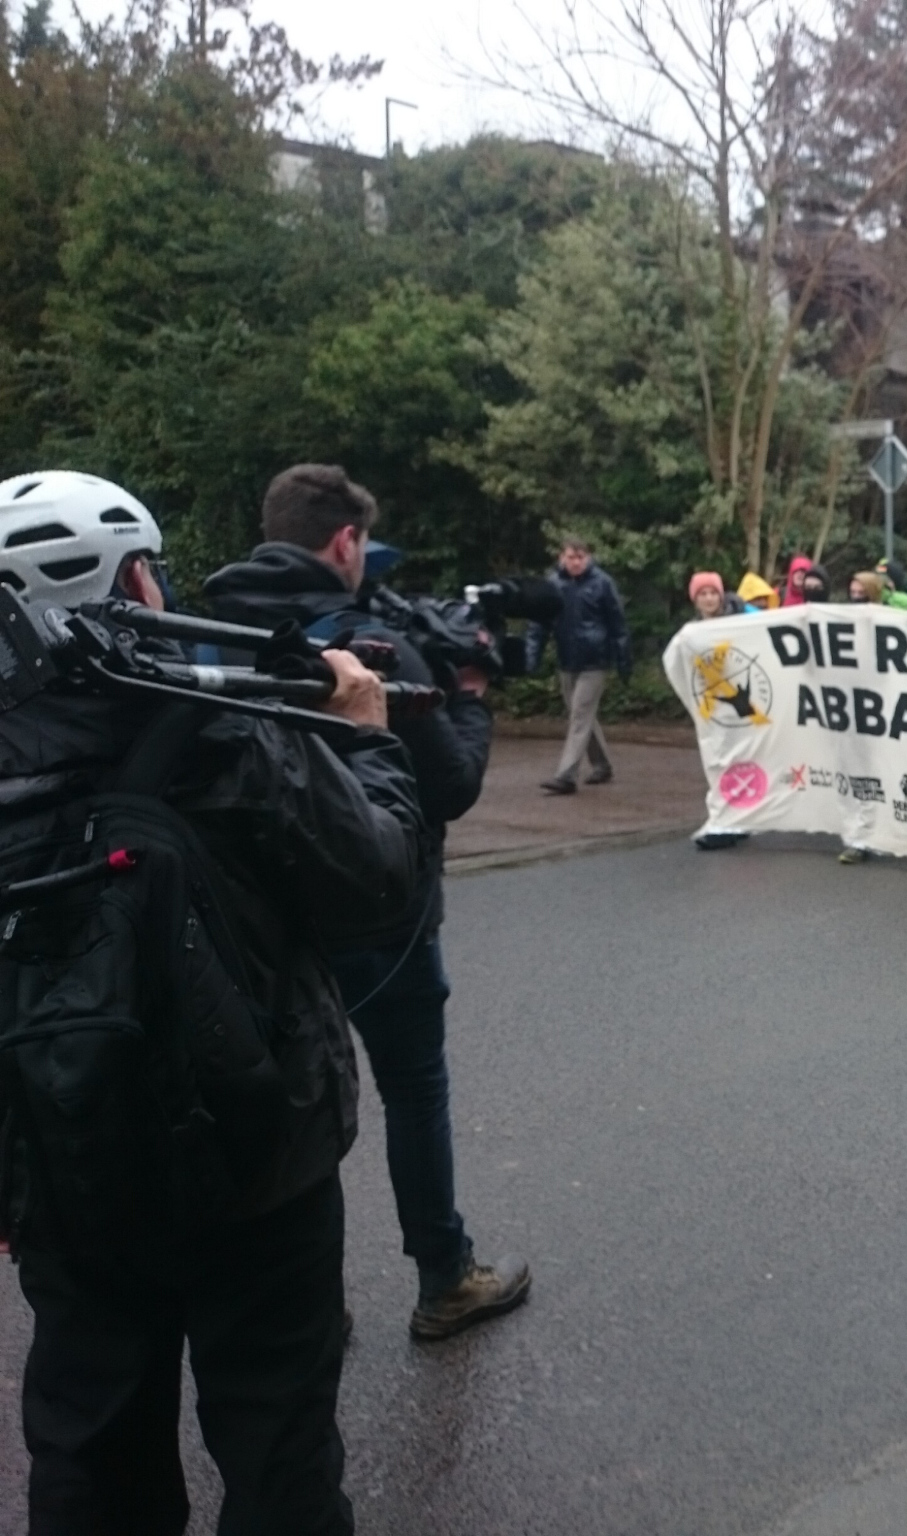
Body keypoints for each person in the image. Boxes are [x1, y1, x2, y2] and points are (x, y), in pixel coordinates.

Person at [0, 471, 426, 1531]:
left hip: (63, 1171)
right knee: (278, 1446)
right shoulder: (227, 733)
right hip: (258, 1164)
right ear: (135, 578)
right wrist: (367, 740)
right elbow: (379, 885)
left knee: (88, 1448)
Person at [204, 465, 533, 1339]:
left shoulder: (206, 628)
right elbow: (450, 786)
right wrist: (469, 701)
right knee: (412, 1087)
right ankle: (445, 1279)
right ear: (345, 541)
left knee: (297, 1093)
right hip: (378, 912)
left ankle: (311, 1294)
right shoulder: (374, 646)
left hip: (257, 919)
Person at [528, 537, 631, 795]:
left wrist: (623, 660)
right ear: (562, 557)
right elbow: (538, 624)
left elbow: (618, 624)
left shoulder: (602, 583)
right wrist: (531, 657)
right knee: (583, 716)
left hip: (595, 660)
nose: (575, 562)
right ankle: (602, 765)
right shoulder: (553, 585)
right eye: (570, 557)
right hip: (567, 659)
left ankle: (566, 776)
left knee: (579, 715)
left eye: (580, 557)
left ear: (588, 558)